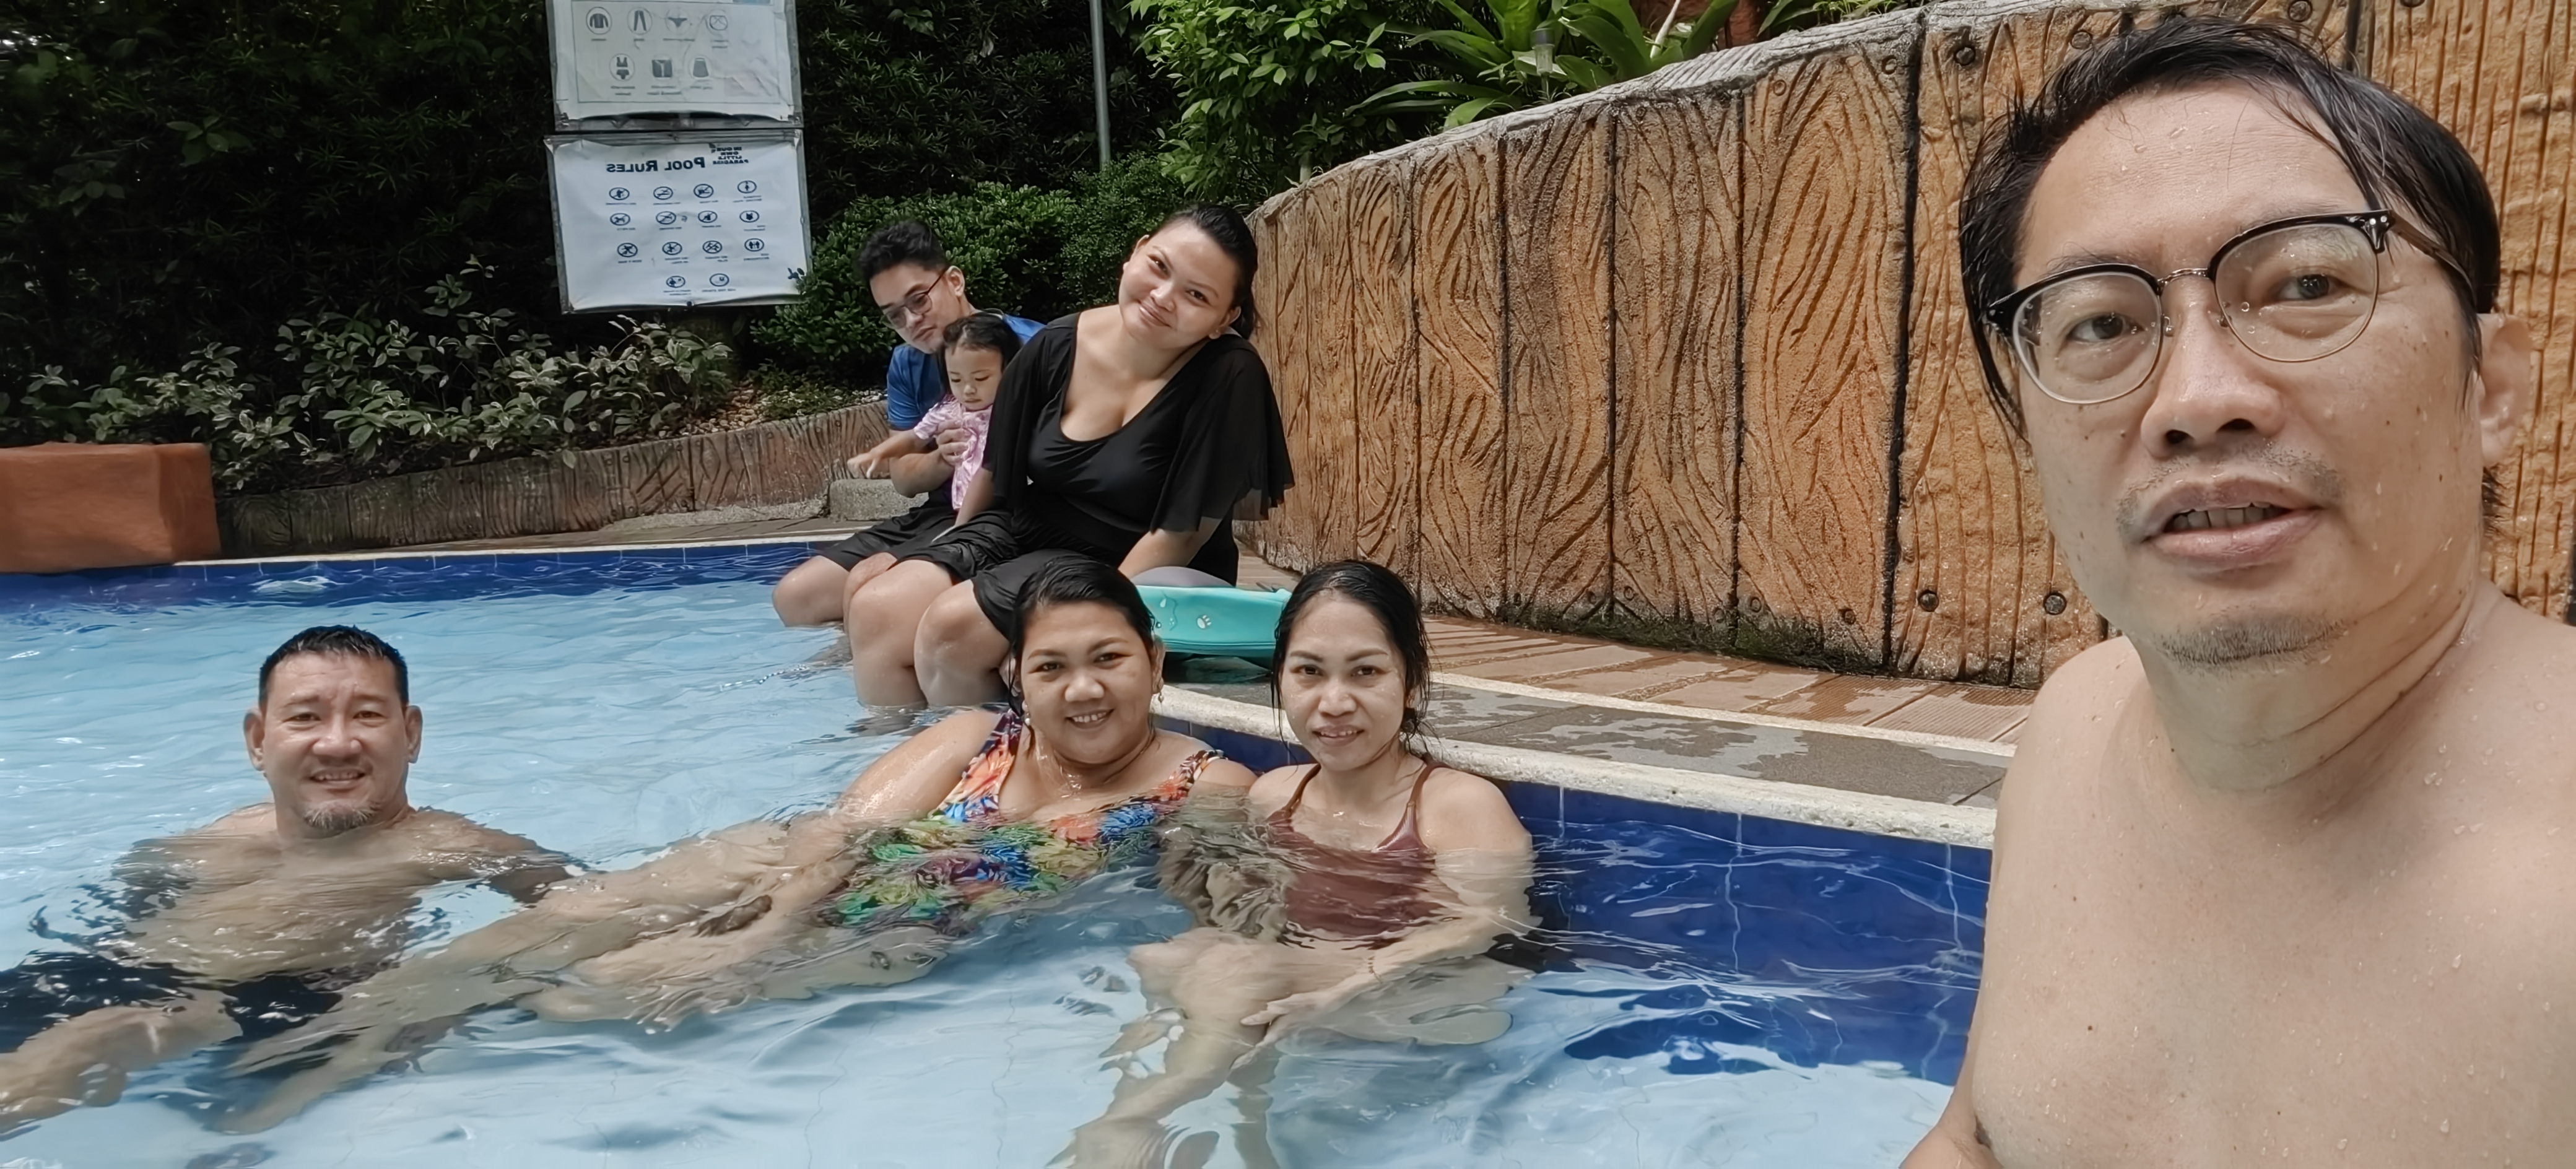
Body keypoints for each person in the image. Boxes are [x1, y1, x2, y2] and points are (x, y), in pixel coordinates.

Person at [1904, 17, 2569, 1167]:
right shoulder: (2076, 728)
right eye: (2102, 323)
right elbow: (1976, 1140)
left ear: (2492, 387)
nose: (2198, 399)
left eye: (2307, 282)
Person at [219, 558, 1256, 1131]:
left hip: (908, 918)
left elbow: (1222, 922)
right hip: (786, 866)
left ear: (1154, 658)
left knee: (588, 990)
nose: (1083, 689)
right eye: (1053, 666)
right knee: (553, 925)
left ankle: (343, 1072)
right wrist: (764, 923)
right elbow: (842, 832)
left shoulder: (1205, 787)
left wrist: (758, 946)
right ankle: (301, 1044)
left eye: (1109, 658)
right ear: (1019, 676)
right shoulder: (972, 735)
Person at [0, 627, 567, 1128]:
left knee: (87, 1044)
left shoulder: (454, 847)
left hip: (291, 1004)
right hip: (110, 975)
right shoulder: (216, 839)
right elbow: (133, 896)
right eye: (305, 718)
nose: (337, 743)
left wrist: (443, 993)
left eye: (368, 715)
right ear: (258, 740)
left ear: (411, 733)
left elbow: (584, 908)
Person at [1066, 560, 1534, 1165]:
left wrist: (1347, 981)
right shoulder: (1273, 796)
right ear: (1280, 678)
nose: (1333, 703)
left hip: (1434, 996)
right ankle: (1242, 1125)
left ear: (1412, 683)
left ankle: (1131, 1124)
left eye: (1365, 672)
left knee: (1238, 971)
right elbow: (1246, 914)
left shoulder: (1456, 806)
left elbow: (1488, 924)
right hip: (1309, 986)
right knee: (1166, 956)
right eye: (1309, 671)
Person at [845, 204, 1294, 707]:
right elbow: (995, 470)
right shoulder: (1057, 343)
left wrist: (1083, 628)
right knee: (876, 608)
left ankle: (990, 753)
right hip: (1030, 528)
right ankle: (900, 746)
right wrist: (953, 546)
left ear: (1224, 318)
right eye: (1159, 267)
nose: (1162, 298)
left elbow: (1181, 535)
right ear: (1136, 252)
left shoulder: (1229, 374)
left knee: (952, 630)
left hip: (1133, 560)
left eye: (1197, 295)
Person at [770, 221, 1045, 627]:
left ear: (954, 281)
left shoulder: (1034, 347)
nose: (911, 320)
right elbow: (903, 478)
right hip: (941, 508)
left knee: (874, 594)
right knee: (796, 597)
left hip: (1013, 514)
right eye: (895, 315)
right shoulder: (907, 362)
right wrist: (943, 458)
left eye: (919, 300)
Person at [844, 311, 1019, 518]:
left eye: (980, 378)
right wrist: (879, 453)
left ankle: (961, 526)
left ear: (1008, 369)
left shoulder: (1015, 407)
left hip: (1009, 508)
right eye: (956, 380)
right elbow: (914, 438)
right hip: (961, 508)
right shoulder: (950, 409)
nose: (968, 390)